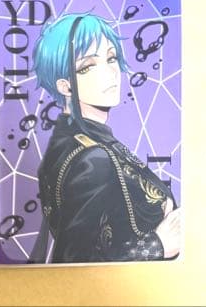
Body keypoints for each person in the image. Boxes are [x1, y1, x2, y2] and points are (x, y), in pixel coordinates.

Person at [34, 14, 180, 262]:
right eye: (87, 66)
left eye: (111, 58)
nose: (110, 73)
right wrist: (158, 245)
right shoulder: (92, 158)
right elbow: (73, 260)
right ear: (65, 86)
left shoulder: (78, 141)